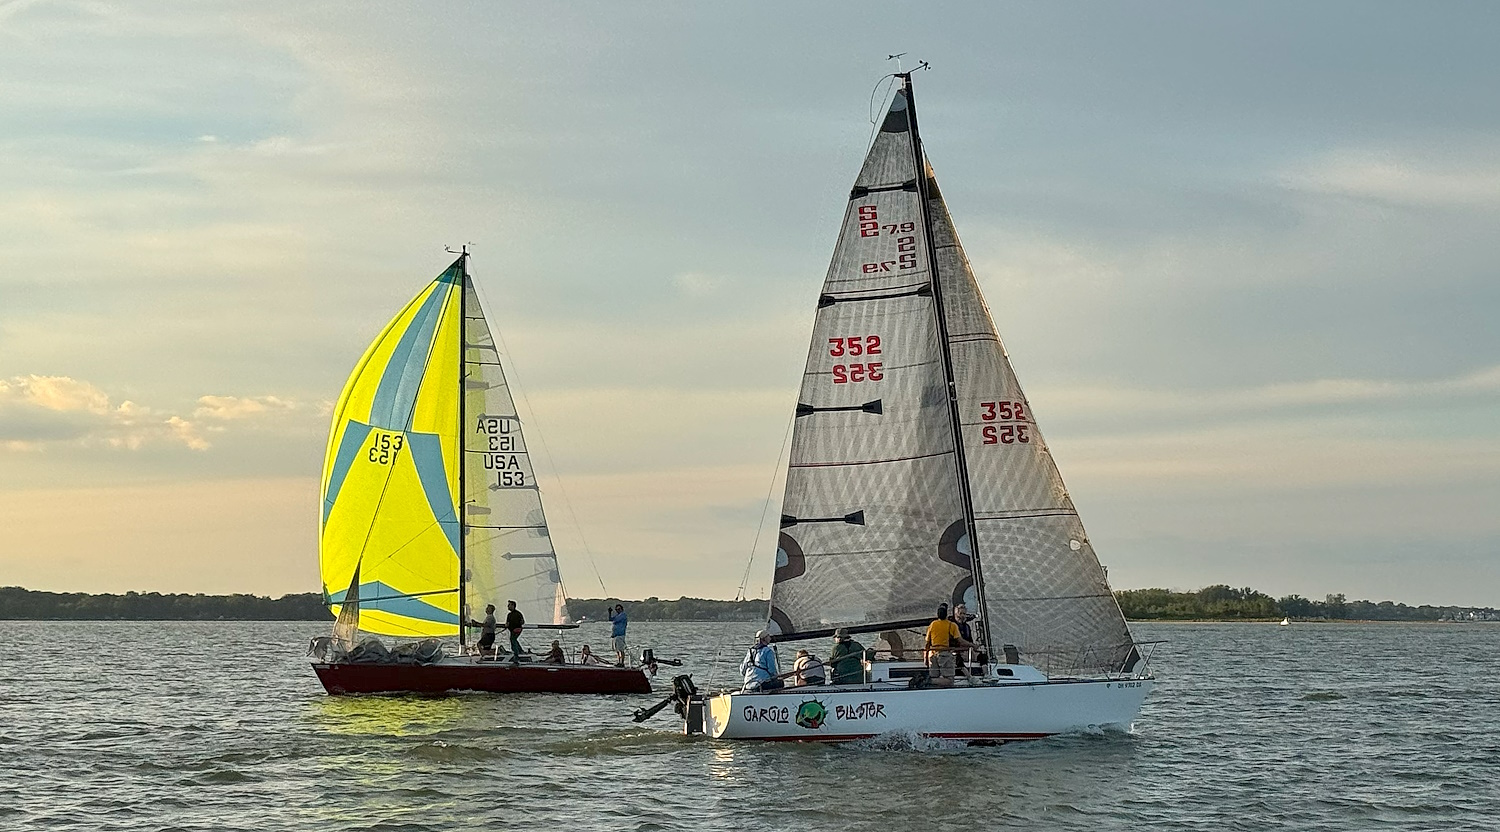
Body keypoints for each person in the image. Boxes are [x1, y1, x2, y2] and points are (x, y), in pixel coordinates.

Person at [924, 603, 972, 687]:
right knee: (949, 681)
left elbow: (927, 643)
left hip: (932, 655)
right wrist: (973, 645)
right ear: (946, 615)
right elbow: (960, 641)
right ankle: (928, 680)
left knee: (935, 677)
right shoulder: (951, 625)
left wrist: (925, 658)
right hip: (944, 654)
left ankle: (929, 681)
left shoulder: (932, 624)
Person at [505, 600, 525, 664]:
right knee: (514, 640)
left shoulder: (511, 615)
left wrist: (507, 626)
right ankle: (520, 650)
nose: (508, 606)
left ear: (513, 606)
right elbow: (522, 622)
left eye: (509, 605)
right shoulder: (518, 613)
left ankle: (516, 655)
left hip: (515, 630)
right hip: (517, 629)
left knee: (513, 640)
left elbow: (507, 624)